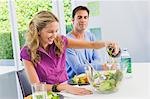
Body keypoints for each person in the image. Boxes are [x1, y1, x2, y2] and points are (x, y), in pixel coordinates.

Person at [20, 10, 119, 95]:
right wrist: (64, 87)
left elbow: (92, 45)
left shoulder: (60, 41)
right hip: (48, 94)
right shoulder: (27, 52)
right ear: (38, 31)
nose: (54, 35)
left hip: (67, 90)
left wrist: (107, 43)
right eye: (50, 32)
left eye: (56, 31)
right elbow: (37, 87)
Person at [66, 6, 107, 79]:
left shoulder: (91, 36)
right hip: (74, 83)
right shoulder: (67, 41)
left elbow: (97, 59)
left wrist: (89, 67)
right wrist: (102, 67)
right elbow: (78, 69)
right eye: (79, 17)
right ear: (73, 20)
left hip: (91, 78)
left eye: (85, 17)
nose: (83, 20)